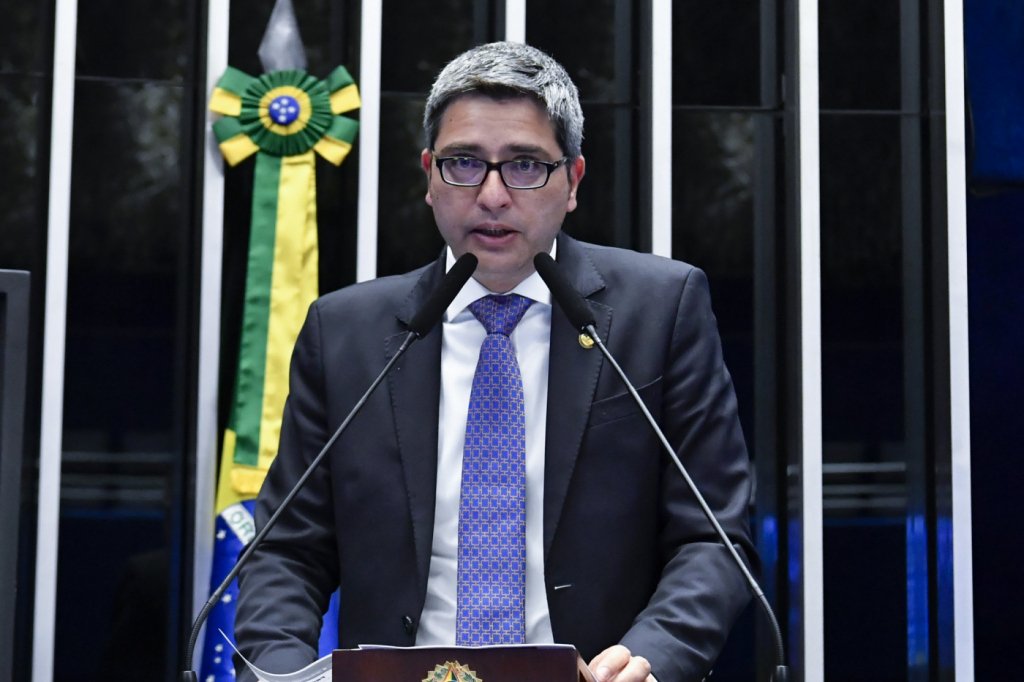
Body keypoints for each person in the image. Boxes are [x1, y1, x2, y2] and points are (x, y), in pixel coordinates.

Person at [235, 41, 755, 682]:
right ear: (429, 176)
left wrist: (654, 655)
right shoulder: (346, 333)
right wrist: (284, 671)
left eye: (525, 166)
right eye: (463, 163)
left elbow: (714, 535)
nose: (491, 195)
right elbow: (285, 550)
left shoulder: (660, 311)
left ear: (574, 181)